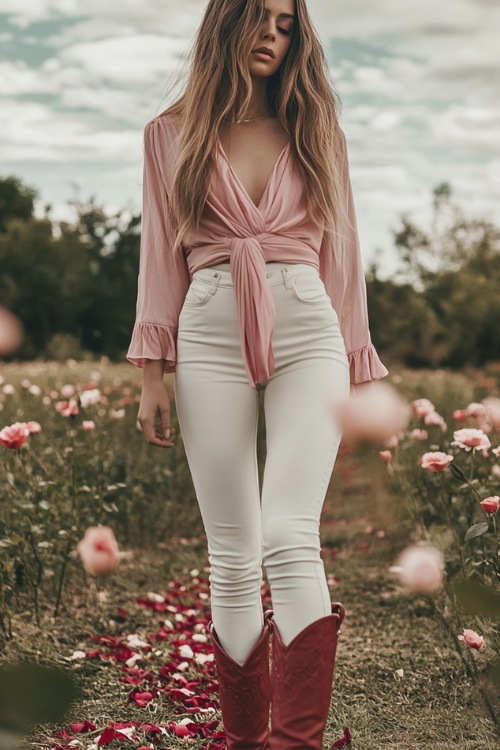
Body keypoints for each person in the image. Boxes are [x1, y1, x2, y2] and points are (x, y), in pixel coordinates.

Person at [127, 0, 388, 747]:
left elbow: (345, 260)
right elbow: (159, 259)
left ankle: (295, 742)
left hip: (310, 327)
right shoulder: (167, 134)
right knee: (233, 548)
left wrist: (361, 373)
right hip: (207, 326)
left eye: (287, 23)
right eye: (261, 20)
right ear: (226, 24)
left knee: (287, 531)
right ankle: (245, 739)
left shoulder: (316, 131)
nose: (274, 35)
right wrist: (153, 372)